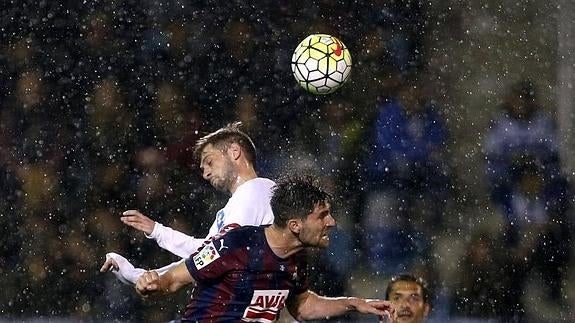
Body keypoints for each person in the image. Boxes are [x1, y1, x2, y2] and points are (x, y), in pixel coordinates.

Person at [135, 175, 396, 322]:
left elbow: (302, 305)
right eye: (323, 215)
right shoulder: (235, 243)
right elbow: (172, 281)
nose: (332, 222)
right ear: (295, 225)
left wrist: (354, 303)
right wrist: (150, 283)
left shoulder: (297, 258)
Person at [100, 121, 275, 284]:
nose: (205, 174)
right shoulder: (235, 205)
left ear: (234, 151)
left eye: (209, 162)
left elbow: (214, 256)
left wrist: (160, 279)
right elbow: (205, 253)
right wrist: (138, 269)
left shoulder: (258, 190)